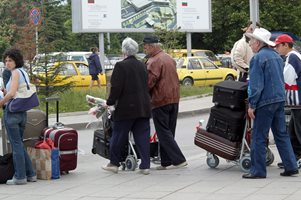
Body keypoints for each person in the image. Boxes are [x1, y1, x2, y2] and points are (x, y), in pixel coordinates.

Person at [242, 28, 298, 179]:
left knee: (259, 136)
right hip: (279, 99)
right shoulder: (276, 56)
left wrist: (252, 104)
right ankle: (291, 166)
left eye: (251, 42)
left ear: (258, 43)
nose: (250, 45)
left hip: (265, 102)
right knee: (281, 134)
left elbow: (256, 85)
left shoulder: (258, 58)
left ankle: (258, 171)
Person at [102, 38, 151, 175]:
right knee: (142, 136)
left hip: (126, 108)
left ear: (124, 50)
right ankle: (145, 165)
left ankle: (114, 163)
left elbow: (116, 88)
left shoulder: (120, 66)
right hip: (143, 106)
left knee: (118, 135)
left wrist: (109, 102)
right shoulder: (142, 65)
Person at [143, 36, 187, 170]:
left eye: (145, 47)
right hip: (174, 98)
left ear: (151, 46)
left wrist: (142, 93)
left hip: (160, 100)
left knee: (163, 132)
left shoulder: (154, 61)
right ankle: (166, 161)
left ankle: (179, 160)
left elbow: (149, 82)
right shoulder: (168, 58)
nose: (144, 49)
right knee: (169, 130)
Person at [0, 48, 37, 185]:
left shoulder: (15, 73)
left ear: (16, 61)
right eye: (6, 60)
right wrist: (4, 91)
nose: (7, 63)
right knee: (19, 144)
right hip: (22, 113)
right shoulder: (23, 72)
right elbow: (15, 91)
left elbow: (11, 94)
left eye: (10, 60)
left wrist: (1, 102)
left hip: (12, 113)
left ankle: (20, 177)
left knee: (16, 146)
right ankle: (31, 174)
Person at [274, 34, 301, 168]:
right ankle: (293, 157)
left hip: (298, 101)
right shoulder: (295, 56)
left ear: (285, 45)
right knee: (293, 131)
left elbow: (287, 78)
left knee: (298, 130)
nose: (277, 49)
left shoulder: (292, 57)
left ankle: (296, 158)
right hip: (296, 102)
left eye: (278, 46)